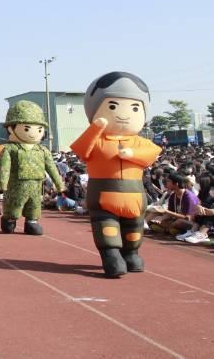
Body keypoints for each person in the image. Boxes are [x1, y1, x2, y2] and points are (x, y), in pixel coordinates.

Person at [70, 71, 161, 278]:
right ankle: (111, 256)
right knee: (106, 228)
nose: (123, 114)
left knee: (134, 229)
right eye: (112, 106)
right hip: (103, 197)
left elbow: (152, 153)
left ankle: (131, 254)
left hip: (135, 197)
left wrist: (132, 154)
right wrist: (96, 129)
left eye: (135, 107)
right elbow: (81, 150)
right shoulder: (98, 141)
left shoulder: (139, 142)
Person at [0, 101, 64, 235]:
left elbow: (51, 167)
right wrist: (3, 182)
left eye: (39, 129)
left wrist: (59, 183)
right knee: (14, 205)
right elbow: (5, 167)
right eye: (27, 128)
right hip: (16, 184)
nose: (34, 133)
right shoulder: (10, 149)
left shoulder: (42, 150)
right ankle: (9, 220)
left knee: (34, 205)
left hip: (36, 183)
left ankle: (31, 222)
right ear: (11, 128)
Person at [148, 171, 199, 236]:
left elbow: (188, 218)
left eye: (169, 181)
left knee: (179, 222)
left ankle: (170, 229)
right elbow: (170, 213)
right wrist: (162, 218)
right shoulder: (173, 195)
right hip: (175, 220)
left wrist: (166, 211)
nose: (166, 183)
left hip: (190, 222)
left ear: (176, 184)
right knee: (157, 217)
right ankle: (173, 230)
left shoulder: (188, 197)